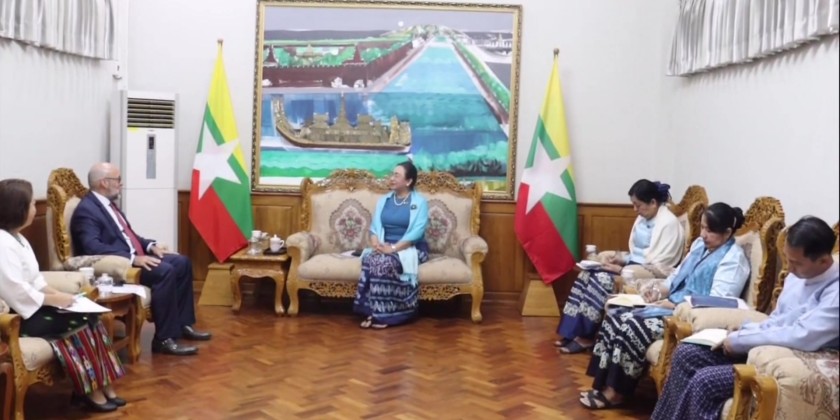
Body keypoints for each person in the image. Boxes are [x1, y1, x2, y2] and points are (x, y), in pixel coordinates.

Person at [652, 216, 838, 420]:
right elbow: (777, 320)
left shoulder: (835, 291)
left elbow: (803, 335)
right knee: (687, 354)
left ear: (823, 260)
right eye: (788, 260)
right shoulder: (799, 276)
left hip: (780, 360)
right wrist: (745, 330)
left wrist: (740, 340)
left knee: (706, 382)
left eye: (796, 263)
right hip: (761, 347)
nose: (789, 270)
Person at [578, 202, 751, 410]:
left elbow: (718, 302)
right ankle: (603, 384)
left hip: (690, 316)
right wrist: (660, 290)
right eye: (703, 227)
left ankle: (616, 393)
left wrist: (674, 305)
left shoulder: (733, 260)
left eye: (710, 231)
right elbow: (678, 274)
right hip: (670, 304)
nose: (703, 234)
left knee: (632, 325)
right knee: (616, 315)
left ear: (728, 233)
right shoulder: (700, 245)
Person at [0, 179, 126, 412]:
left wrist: (62, 295)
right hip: (20, 317)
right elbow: (16, 290)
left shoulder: (19, 239)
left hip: (35, 308)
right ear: (18, 209)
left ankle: (103, 385)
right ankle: (89, 391)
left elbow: (36, 280)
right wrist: (56, 300)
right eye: (31, 204)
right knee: (81, 321)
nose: (35, 209)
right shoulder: (2, 243)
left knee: (92, 317)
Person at [70, 162, 210, 356]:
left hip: (133, 257)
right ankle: (163, 339)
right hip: (119, 267)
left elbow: (129, 236)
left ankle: (182, 324)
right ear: (104, 182)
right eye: (118, 179)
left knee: (182, 263)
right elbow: (92, 248)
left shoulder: (109, 205)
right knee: (164, 271)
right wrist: (132, 259)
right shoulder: (87, 210)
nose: (121, 184)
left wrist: (151, 246)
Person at [556, 179, 685, 353]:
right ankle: (571, 332)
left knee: (601, 278)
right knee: (586, 274)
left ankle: (586, 336)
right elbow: (639, 252)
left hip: (652, 271)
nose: (635, 210)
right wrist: (620, 258)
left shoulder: (669, 223)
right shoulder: (644, 217)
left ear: (653, 203)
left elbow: (662, 265)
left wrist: (622, 269)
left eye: (638, 205)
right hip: (635, 265)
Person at [353, 161, 429, 329]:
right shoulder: (384, 200)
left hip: (411, 248)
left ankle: (387, 315)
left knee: (384, 263)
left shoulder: (420, 203)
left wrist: (393, 249)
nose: (392, 178)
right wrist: (376, 244)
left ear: (408, 181)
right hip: (385, 245)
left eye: (397, 175)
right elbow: (375, 228)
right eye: (392, 174)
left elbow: (416, 233)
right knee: (370, 260)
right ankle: (372, 312)